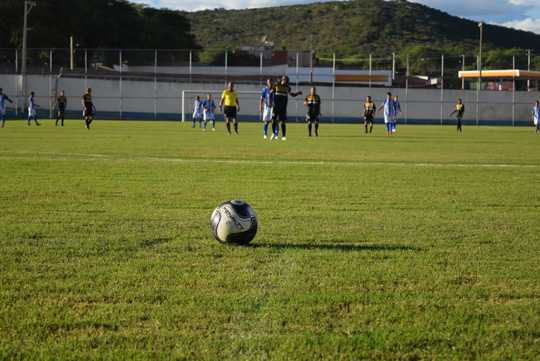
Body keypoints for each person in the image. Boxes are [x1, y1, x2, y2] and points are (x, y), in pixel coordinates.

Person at [269, 75, 302, 140]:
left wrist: (298, 93)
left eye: (288, 81)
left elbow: (292, 95)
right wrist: (269, 102)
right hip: (276, 106)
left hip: (283, 107)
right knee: (273, 120)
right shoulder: (277, 86)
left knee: (282, 121)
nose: (287, 82)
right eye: (286, 81)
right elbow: (270, 93)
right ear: (283, 80)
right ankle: (273, 133)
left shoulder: (288, 88)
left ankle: (283, 136)